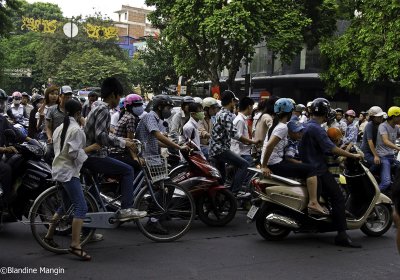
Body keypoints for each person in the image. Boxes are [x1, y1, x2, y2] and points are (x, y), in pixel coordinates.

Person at [299, 98, 363, 248]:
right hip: (318, 169)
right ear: (326, 113)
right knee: (338, 197)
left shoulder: (306, 125)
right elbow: (332, 149)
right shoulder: (317, 129)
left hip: (307, 167)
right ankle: (341, 234)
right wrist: (353, 155)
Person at [43, 99, 101, 261]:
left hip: (59, 170)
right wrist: (92, 148)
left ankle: (49, 235)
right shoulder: (76, 130)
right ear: (78, 113)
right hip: (68, 173)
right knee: (81, 207)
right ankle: (75, 244)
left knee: (65, 205)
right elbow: (74, 154)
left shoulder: (59, 128)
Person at [84, 77, 147, 221]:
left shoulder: (97, 107)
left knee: (93, 191)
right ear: (113, 95)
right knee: (128, 170)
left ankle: (89, 229)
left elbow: (103, 134)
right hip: (94, 155)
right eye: (119, 96)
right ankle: (126, 209)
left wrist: (122, 140)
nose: (119, 100)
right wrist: (123, 143)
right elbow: (101, 136)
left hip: (91, 154)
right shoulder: (103, 109)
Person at [261, 99, 326, 215]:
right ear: (290, 112)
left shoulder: (276, 125)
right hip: (275, 164)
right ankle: (313, 202)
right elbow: (270, 145)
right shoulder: (283, 127)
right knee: (312, 169)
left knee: (303, 167)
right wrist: (264, 166)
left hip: (276, 162)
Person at [135, 94, 189, 234]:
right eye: (168, 107)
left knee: (163, 187)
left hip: (153, 157)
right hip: (148, 158)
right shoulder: (150, 117)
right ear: (160, 107)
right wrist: (178, 147)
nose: (170, 110)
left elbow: (155, 140)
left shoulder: (156, 118)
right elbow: (157, 135)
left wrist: (174, 146)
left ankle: (157, 214)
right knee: (167, 186)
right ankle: (153, 220)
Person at [209, 90, 260, 197]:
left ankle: (224, 199)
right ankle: (233, 194)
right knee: (244, 164)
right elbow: (236, 135)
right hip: (220, 150)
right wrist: (253, 142)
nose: (235, 104)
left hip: (217, 149)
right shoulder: (225, 115)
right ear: (232, 101)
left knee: (221, 179)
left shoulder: (221, 113)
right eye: (234, 102)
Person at [0, 89, 22, 198]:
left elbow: (15, 132)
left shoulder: (2, 119)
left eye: (2, 102)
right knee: (6, 170)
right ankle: (5, 201)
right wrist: (4, 149)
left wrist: (31, 141)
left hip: (2, 154)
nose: (1, 105)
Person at [374, 106, 400, 192]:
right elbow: (385, 141)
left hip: (392, 156)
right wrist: (398, 148)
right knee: (386, 182)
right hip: (383, 157)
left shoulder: (396, 127)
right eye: (399, 116)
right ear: (393, 116)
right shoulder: (383, 126)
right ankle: (373, 198)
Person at [231, 97, 256, 178]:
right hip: (241, 153)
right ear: (249, 106)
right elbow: (238, 138)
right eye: (252, 107)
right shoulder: (240, 120)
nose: (252, 109)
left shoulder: (242, 119)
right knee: (251, 171)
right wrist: (252, 142)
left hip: (244, 151)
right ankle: (238, 188)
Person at [360, 106, 385, 170]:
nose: (381, 118)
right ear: (373, 117)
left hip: (374, 151)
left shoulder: (380, 125)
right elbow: (370, 141)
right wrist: (376, 156)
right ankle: (368, 177)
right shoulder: (370, 125)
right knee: (378, 163)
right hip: (366, 152)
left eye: (381, 116)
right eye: (379, 117)